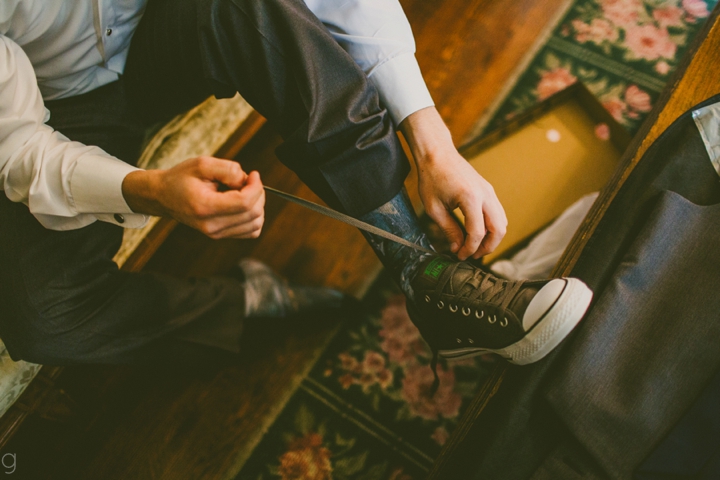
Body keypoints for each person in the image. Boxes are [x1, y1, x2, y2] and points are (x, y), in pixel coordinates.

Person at [0, 0, 592, 374]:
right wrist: (146, 189)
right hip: (55, 106)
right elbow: (18, 144)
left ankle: (425, 279)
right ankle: (252, 304)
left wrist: (433, 143)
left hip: (179, 22)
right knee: (46, 321)